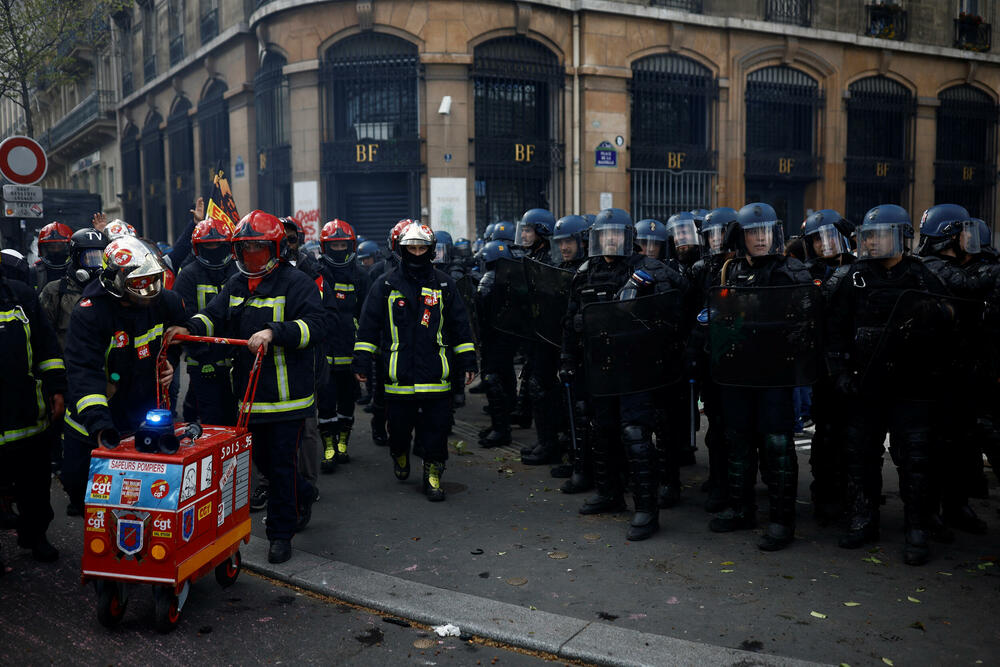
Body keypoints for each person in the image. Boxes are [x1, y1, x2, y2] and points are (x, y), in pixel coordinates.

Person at [168, 210, 326, 564]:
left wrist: (274, 332)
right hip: (251, 398)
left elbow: (317, 325)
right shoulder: (237, 284)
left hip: (288, 400)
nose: (251, 255)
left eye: (258, 248)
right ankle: (303, 493)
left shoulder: (296, 282)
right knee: (266, 465)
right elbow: (213, 314)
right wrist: (188, 328)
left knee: (281, 466)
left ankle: (280, 535)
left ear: (275, 249)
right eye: (245, 248)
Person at [825, 204, 958, 565]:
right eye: (869, 236)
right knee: (859, 454)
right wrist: (839, 372)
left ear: (900, 237)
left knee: (915, 458)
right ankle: (863, 519)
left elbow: (951, 322)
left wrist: (934, 315)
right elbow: (834, 331)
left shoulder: (922, 276)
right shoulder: (852, 278)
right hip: (865, 383)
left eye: (880, 235)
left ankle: (917, 527)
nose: (873, 242)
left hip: (911, 385)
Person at [562, 208, 689, 540]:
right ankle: (610, 493)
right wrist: (567, 358)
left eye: (616, 235)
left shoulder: (649, 269)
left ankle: (646, 509)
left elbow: (678, 305)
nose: (610, 241)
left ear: (628, 238)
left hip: (638, 369)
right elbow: (571, 320)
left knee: (635, 434)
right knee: (601, 431)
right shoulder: (586, 272)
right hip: (601, 367)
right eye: (605, 235)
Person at [707, 203, 812, 551]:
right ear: (742, 237)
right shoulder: (730, 271)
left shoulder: (792, 272)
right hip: (739, 372)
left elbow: (807, 322)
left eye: (765, 231)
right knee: (738, 442)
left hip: (775, 374)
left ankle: (782, 520)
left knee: (777, 445)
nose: (761, 238)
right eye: (753, 232)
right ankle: (741, 510)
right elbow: (720, 318)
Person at [353, 223, 477, 501]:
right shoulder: (385, 285)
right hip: (399, 375)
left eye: (422, 248)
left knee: (437, 430)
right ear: (402, 250)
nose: (417, 253)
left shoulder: (444, 284)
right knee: (398, 430)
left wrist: (468, 360)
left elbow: (460, 325)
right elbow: (369, 325)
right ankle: (399, 453)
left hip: (436, 373)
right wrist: (361, 361)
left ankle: (433, 474)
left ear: (430, 251)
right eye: (412, 248)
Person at [62, 236, 185, 515]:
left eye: (152, 280)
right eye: (139, 283)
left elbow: (181, 325)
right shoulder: (90, 313)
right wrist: (101, 428)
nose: (149, 289)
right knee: (84, 496)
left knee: (142, 500)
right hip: (93, 424)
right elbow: (83, 373)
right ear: (116, 282)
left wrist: (171, 359)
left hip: (141, 419)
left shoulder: (162, 301)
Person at [914, 204, 986, 535]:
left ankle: (957, 505)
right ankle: (930, 512)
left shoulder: (962, 266)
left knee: (963, 441)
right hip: (936, 372)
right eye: (964, 231)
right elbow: (970, 286)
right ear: (950, 236)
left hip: (964, 369)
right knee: (936, 444)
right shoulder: (932, 267)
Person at [0, 256, 66, 566]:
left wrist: (56, 388)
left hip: (28, 413)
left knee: (35, 484)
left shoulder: (20, 296)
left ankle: (36, 535)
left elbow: (47, 347)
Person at [799, 209, 855, 524]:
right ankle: (824, 494)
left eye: (829, 237)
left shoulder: (860, 270)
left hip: (855, 363)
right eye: (817, 240)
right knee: (827, 433)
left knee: (856, 435)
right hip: (822, 366)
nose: (824, 244)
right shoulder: (805, 273)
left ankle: (854, 493)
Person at [172, 217, 238, 426]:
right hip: (203, 362)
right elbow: (183, 318)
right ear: (197, 249)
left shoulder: (239, 272)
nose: (214, 252)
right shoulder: (188, 276)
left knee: (237, 419)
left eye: (219, 247)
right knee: (212, 421)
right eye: (208, 247)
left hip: (238, 361)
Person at [317, 219, 369, 472]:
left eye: (342, 245)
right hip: (324, 352)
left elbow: (367, 316)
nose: (339, 250)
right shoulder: (316, 274)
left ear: (351, 246)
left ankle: (343, 442)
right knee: (325, 402)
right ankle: (328, 445)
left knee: (348, 401)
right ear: (324, 247)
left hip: (351, 351)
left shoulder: (361, 276)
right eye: (334, 245)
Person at [39, 227, 109, 349]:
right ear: (76, 260)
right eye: (91, 259)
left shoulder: (111, 291)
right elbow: (42, 335)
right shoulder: (55, 291)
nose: (98, 267)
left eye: (100, 259)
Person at [31, 222, 73, 293]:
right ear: (44, 248)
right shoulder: (35, 271)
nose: (56, 250)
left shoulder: (75, 269)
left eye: (60, 246)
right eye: (52, 247)